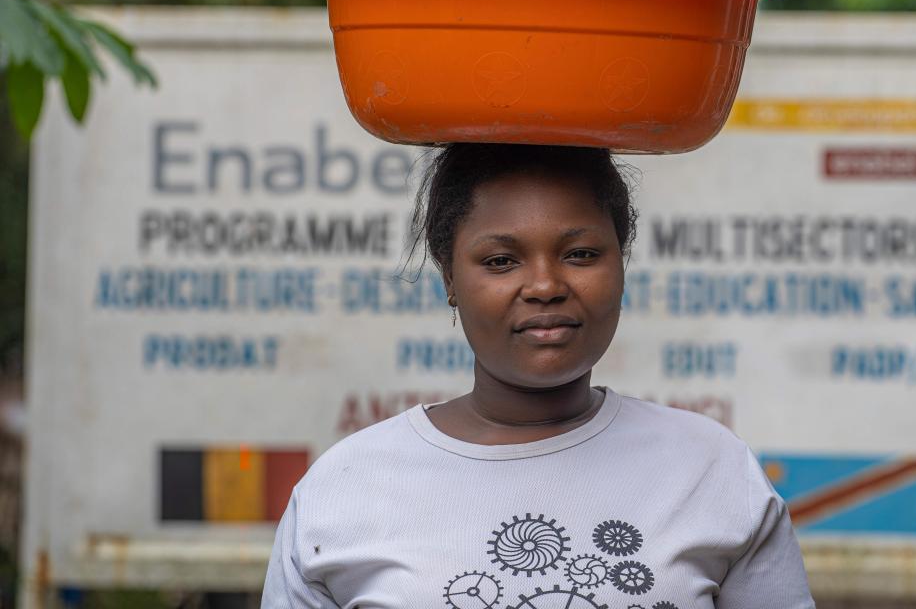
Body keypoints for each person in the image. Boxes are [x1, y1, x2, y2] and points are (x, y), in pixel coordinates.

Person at [261, 143, 816, 608]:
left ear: (621, 263)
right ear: (448, 275)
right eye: (501, 261)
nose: (546, 285)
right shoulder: (345, 490)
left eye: (580, 254)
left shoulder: (712, 470)